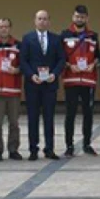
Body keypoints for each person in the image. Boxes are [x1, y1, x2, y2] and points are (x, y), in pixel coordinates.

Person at [21, 10, 65, 160]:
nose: (42, 21)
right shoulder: (27, 38)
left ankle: (49, 149)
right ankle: (33, 149)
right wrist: (31, 75)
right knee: (33, 118)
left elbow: (61, 59)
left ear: (49, 21)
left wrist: (55, 74)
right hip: (33, 84)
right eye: (40, 19)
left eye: (45, 19)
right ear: (35, 21)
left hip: (50, 85)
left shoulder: (56, 39)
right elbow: (23, 61)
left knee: (49, 118)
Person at [61, 4, 100, 157]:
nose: (79, 19)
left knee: (88, 113)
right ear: (73, 17)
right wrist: (69, 65)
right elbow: (60, 57)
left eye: (82, 17)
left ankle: (87, 144)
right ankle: (69, 145)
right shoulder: (64, 35)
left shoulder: (93, 36)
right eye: (77, 16)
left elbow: (99, 57)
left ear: (87, 18)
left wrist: (93, 64)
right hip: (71, 80)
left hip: (88, 81)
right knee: (70, 114)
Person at [0, 17, 24, 162]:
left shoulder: (18, 45)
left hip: (13, 91)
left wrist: (17, 70)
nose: (4, 29)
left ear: (10, 28)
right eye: (1, 26)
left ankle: (13, 149)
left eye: (6, 26)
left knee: (14, 123)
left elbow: (25, 65)